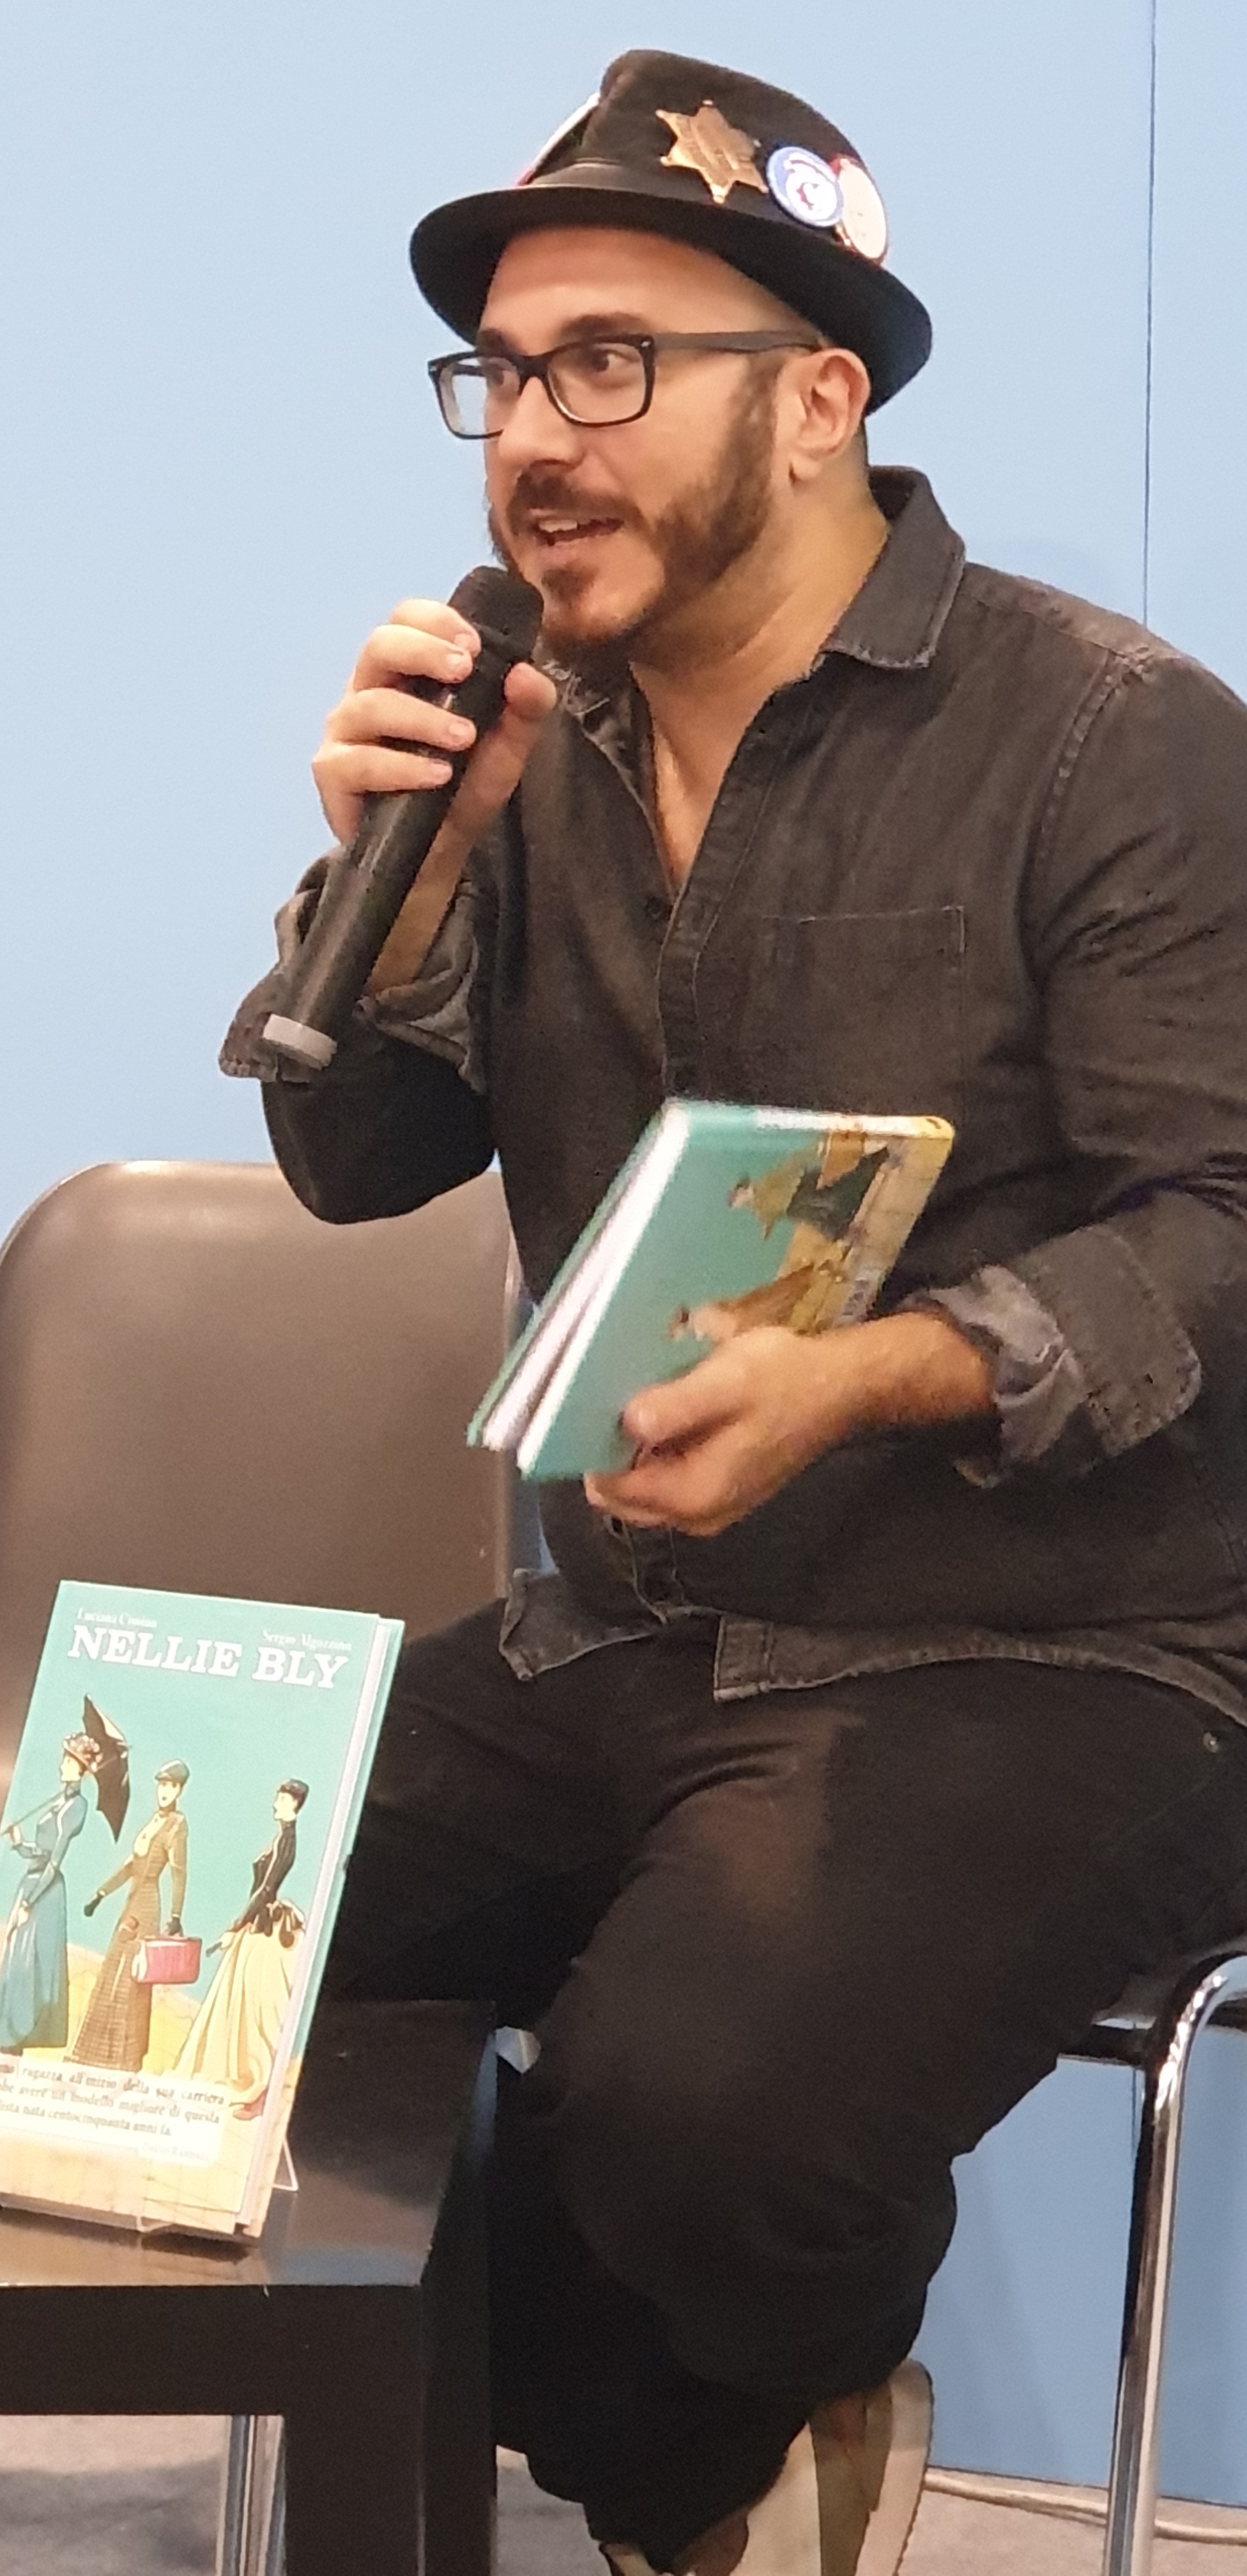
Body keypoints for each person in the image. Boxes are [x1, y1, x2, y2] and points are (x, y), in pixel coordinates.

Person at [224, 50, 1247, 2576]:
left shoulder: (1108, 738)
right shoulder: (516, 751)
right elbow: (351, 1161)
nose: (530, 440)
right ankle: (718, 2437)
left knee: (696, 2114)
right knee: (125, 1955)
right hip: (634, 1624)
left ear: (815, 398)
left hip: (1066, 1650)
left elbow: (1218, 1223)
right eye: (498, 374)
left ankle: (711, 2427)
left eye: (609, 364)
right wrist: (389, 878)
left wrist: (878, 1372)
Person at [174, 1778, 308, 2117]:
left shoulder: (287, 1841)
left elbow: (266, 1890)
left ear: (295, 1805)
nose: (276, 1804)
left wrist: (236, 1926)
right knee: (246, 2006)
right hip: (257, 1927)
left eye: (283, 1800)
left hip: (265, 1931)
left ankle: (262, 2090)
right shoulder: (280, 1837)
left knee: (263, 2012)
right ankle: (249, 2084)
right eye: (278, 1798)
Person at [70, 1760, 189, 2072]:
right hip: (131, 1902)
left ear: (180, 1790)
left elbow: (178, 1872)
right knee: (112, 1970)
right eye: (162, 1785)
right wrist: (101, 1894)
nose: (165, 1791)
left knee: (133, 1980)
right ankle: (93, 2052)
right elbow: (130, 1866)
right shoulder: (153, 1822)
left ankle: (125, 2058)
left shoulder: (176, 1825)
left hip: (147, 1906)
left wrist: (176, 1915)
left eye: (172, 1786)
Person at [0, 1735, 103, 2054]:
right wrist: (19, 1842)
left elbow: (54, 1860)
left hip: (45, 1893)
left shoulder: (76, 1806)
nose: (62, 1765)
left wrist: (29, 1902)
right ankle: (6, 2032)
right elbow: (40, 1852)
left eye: (68, 1761)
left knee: (31, 1963)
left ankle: (16, 2036)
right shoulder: (59, 1801)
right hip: (31, 1882)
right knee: (15, 1959)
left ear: (80, 1767)